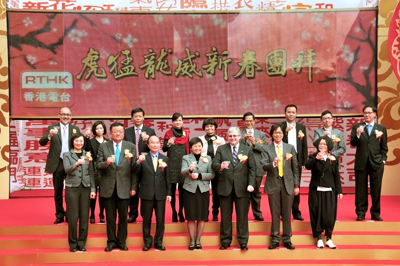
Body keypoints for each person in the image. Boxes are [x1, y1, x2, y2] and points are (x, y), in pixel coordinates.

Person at [96, 122, 138, 252]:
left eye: (120, 131)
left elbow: (135, 170)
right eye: (115, 131)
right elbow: (97, 165)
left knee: (123, 217)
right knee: (110, 217)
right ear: (110, 133)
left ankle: (122, 241)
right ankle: (111, 241)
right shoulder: (104, 146)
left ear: (124, 132)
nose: (118, 133)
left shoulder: (130, 146)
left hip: (125, 187)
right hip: (108, 187)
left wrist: (133, 187)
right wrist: (106, 162)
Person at [213, 127, 256, 251]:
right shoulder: (221, 149)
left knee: (242, 216)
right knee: (225, 216)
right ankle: (225, 241)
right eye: (230, 136)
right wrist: (220, 166)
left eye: (235, 136)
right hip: (225, 187)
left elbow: (252, 168)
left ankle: (243, 241)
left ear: (239, 137)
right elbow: (214, 164)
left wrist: (251, 184)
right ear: (227, 137)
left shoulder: (247, 149)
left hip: (242, 188)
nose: (233, 138)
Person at [39, 107, 81, 224]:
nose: (66, 116)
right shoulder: (52, 128)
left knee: (71, 191)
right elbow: (42, 142)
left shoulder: (75, 129)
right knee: (58, 191)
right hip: (57, 163)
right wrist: (49, 135)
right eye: (63, 114)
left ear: (71, 117)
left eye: (68, 114)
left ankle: (70, 214)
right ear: (59, 115)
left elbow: (80, 144)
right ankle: (59, 214)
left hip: (71, 163)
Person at [261, 123, 299, 250]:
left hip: (287, 183)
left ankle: (287, 238)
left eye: (280, 132)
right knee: (275, 213)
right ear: (272, 134)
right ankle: (276, 238)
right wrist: (273, 163)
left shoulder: (290, 148)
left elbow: (295, 168)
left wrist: (296, 185)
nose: (278, 134)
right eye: (276, 132)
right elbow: (264, 166)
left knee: (287, 213)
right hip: (273, 183)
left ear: (284, 134)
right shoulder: (267, 149)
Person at [133, 135, 171, 251]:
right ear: (148, 145)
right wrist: (137, 162)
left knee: (160, 219)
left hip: (160, 193)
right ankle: (147, 242)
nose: (155, 145)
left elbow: (168, 178)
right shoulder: (142, 158)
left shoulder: (165, 159)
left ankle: (159, 242)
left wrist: (169, 193)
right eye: (152, 143)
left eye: (157, 142)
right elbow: (134, 172)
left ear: (160, 144)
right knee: (146, 219)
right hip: (146, 193)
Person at [350, 105, 388, 221]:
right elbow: (353, 143)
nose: (367, 115)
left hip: (376, 163)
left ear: (374, 114)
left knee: (376, 188)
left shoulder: (381, 128)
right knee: (360, 189)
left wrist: (383, 159)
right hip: (361, 162)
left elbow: (384, 147)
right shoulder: (357, 127)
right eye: (365, 113)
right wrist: (357, 134)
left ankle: (375, 212)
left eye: (369, 113)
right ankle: (361, 212)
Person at [305, 136, 343, 249]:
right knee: (316, 214)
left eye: (324, 144)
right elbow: (307, 166)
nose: (322, 146)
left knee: (329, 215)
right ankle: (319, 238)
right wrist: (316, 158)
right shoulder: (313, 156)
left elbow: (336, 175)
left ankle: (329, 238)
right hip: (316, 190)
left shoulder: (333, 158)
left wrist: (339, 190)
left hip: (330, 190)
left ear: (328, 147)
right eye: (320, 144)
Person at [63, 133, 96, 252]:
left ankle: (81, 242)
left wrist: (93, 189)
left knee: (84, 216)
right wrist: (76, 164)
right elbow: (67, 170)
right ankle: (72, 243)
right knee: (72, 217)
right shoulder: (67, 154)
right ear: (73, 142)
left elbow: (91, 173)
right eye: (77, 141)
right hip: (72, 188)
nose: (79, 143)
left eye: (81, 141)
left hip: (85, 187)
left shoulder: (87, 155)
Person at [181, 137, 215, 250]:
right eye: (195, 146)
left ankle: (198, 240)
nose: (197, 148)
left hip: (203, 190)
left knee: (201, 216)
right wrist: (189, 170)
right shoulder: (186, 158)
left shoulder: (208, 158)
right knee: (190, 216)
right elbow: (182, 172)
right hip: (189, 190)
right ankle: (191, 240)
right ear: (190, 148)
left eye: (199, 146)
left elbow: (212, 174)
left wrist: (200, 176)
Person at [124, 107, 156, 223]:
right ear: (132, 118)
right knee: (133, 189)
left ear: (144, 117)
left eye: (140, 116)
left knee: (145, 190)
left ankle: (145, 214)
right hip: (131, 164)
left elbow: (154, 147)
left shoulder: (150, 131)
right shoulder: (126, 131)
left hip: (146, 164)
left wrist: (149, 141)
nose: (138, 118)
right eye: (135, 116)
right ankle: (132, 214)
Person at [280, 104, 308, 221]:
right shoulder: (280, 126)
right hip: (284, 158)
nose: (291, 114)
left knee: (296, 186)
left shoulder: (301, 127)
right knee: (284, 186)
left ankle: (296, 212)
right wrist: (284, 132)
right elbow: (275, 141)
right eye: (289, 112)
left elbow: (304, 145)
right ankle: (283, 212)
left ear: (296, 114)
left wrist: (304, 161)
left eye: (293, 112)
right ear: (285, 113)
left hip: (297, 158)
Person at [162, 112, 189, 223]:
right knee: (172, 191)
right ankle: (173, 211)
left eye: (180, 120)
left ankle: (181, 212)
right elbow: (164, 149)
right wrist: (168, 143)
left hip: (183, 165)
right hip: (172, 165)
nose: (178, 122)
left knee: (183, 191)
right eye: (176, 120)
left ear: (182, 121)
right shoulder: (168, 134)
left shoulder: (186, 133)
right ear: (172, 122)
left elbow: (188, 149)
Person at [240, 112, 267, 221]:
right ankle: (243, 214)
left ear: (254, 121)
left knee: (255, 191)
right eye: (247, 121)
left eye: (251, 121)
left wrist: (255, 143)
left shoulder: (261, 134)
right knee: (243, 192)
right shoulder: (239, 134)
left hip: (257, 166)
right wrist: (243, 140)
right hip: (242, 166)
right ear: (243, 122)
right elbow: (235, 148)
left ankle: (257, 213)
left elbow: (264, 149)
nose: (249, 123)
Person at [198, 118, 225, 221]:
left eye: (211, 126)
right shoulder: (200, 139)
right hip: (204, 168)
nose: (209, 128)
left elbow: (224, 154)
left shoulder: (221, 139)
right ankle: (205, 212)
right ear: (204, 128)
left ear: (215, 127)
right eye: (207, 126)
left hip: (217, 168)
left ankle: (215, 212)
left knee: (216, 192)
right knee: (203, 191)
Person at [88, 121, 109, 224]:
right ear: (94, 130)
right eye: (97, 128)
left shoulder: (108, 142)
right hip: (93, 169)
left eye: (101, 128)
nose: (99, 130)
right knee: (93, 193)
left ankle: (102, 214)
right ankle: (91, 214)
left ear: (104, 129)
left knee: (103, 195)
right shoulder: (90, 142)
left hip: (105, 170)